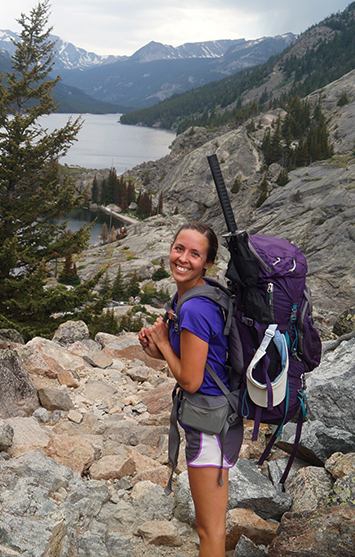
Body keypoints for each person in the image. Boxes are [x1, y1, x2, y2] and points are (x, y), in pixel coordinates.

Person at [137, 221, 243, 557]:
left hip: (211, 424)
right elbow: (189, 359)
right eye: (179, 248)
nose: (183, 258)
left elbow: (191, 381)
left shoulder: (195, 308)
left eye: (195, 254)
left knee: (209, 530)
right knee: (210, 528)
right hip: (211, 417)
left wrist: (164, 345)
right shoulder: (190, 296)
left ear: (208, 262)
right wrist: (156, 346)